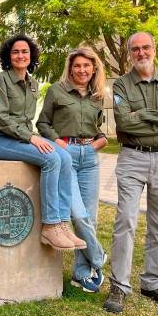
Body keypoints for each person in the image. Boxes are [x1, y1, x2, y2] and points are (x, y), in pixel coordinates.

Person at [103, 32, 158, 313]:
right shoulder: (121, 85)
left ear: (155, 49)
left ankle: (152, 284)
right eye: (135, 49)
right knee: (126, 220)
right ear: (129, 53)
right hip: (132, 158)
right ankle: (119, 286)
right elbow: (124, 124)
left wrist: (143, 115)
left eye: (146, 47)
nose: (141, 53)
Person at [0, 34, 85, 251]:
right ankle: (49, 226)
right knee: (50, 159)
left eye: (25, 52)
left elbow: (27, 120)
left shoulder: (33, 84)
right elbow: (2, 120)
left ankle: (63, 224)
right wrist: (31, 138)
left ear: (31, 56)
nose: (20, 55)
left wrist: (32, 137)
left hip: (21, 138)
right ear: (8, 57)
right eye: (15, 52)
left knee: (65, 157)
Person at [36, 47, 109, 293]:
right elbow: (43, 123)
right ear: (70, 68)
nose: (82, 70)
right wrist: (60, 144)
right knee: (77, 214)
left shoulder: (97, 95)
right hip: (65, 154)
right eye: (77, 66)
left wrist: (100, 142)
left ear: (93, 69)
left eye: (87, 66)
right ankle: (98, 257)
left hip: (89, 157)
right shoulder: (57, 91)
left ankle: (81, 274)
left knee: (90, 216)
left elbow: (98, 128)